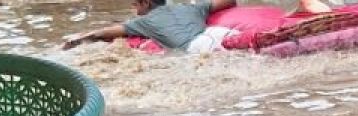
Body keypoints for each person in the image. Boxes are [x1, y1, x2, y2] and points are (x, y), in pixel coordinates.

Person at [63, 0, 237, 51]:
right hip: (216, 32)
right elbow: (229, 1)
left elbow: (103, 33)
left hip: (195, 47)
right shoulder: (191, 7)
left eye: (135, 4)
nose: (133, 8)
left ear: (146, 3)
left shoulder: (143, 22)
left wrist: (77, 40)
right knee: (234, 39)